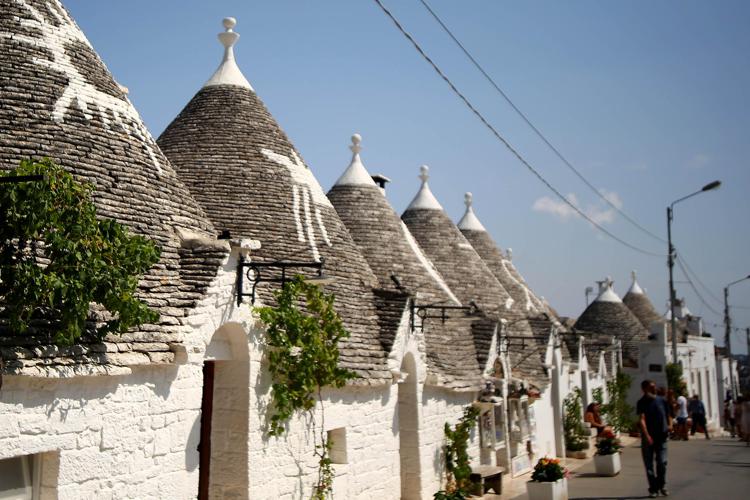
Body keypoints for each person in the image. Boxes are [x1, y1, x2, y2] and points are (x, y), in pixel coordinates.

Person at [637, 379, 672, 498]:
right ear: (644, 389)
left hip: (661, 436)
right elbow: (641, 419)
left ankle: (661, 485)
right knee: (649, 465)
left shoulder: (661, 400)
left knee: (662, 462)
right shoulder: (641, 402)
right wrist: (647, 436)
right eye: (651, 387)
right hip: (648, 438)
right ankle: (653, 488)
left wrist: (670, 426)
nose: (654, 388)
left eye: (654, 386)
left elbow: (668, 415)